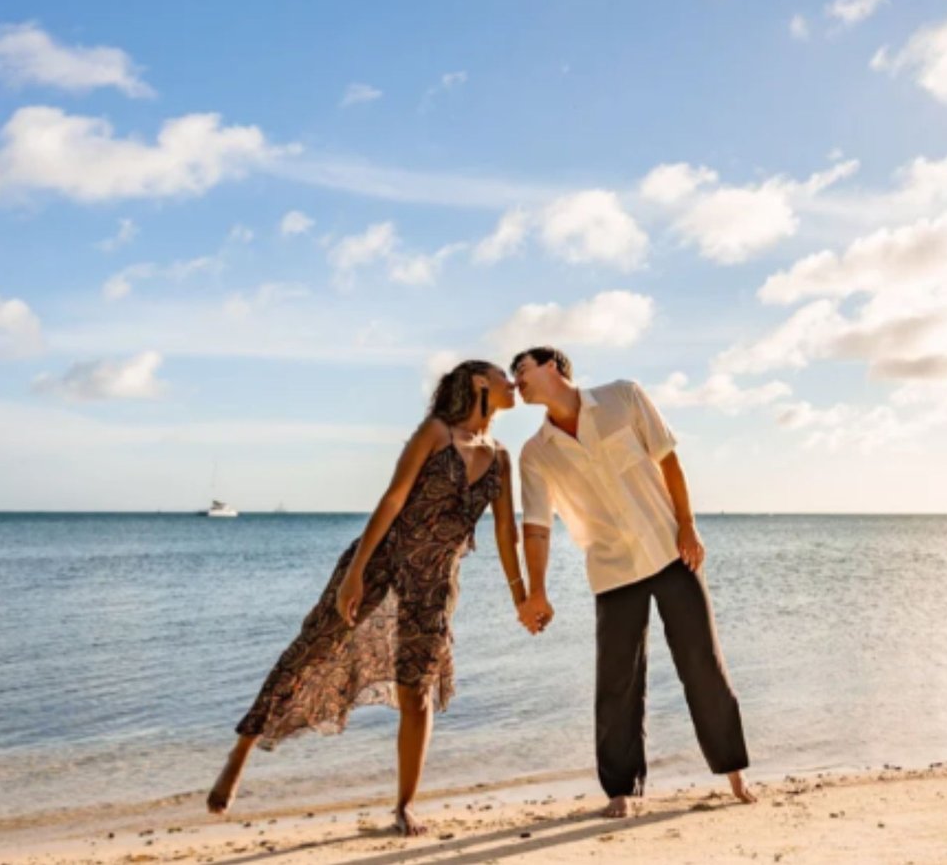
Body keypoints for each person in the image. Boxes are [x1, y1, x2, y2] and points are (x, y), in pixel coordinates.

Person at [206, 361, 526, 836]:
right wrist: (354, 574)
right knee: (311, 649)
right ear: (479, 383)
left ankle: (404, 806)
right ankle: (241, 751)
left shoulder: (500, 457)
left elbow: (505, 530)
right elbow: (393, 499)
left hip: (435, 583)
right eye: (504, 376)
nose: (513, 383)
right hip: (381, 560)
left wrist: (522, 594)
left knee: (416, 691)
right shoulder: (434, 432)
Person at [510, 346, 756, 819]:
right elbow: (536, 527)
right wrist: (536, 589)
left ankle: (733, 772)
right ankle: (623, 789)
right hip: (611, 569)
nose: (515, 380)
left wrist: (687, 524)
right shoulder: (535, 453)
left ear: (553, 367)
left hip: (669, 551)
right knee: (618, 683)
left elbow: (668, 462)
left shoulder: (624, 397)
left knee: (702, 663)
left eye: (520, 369)